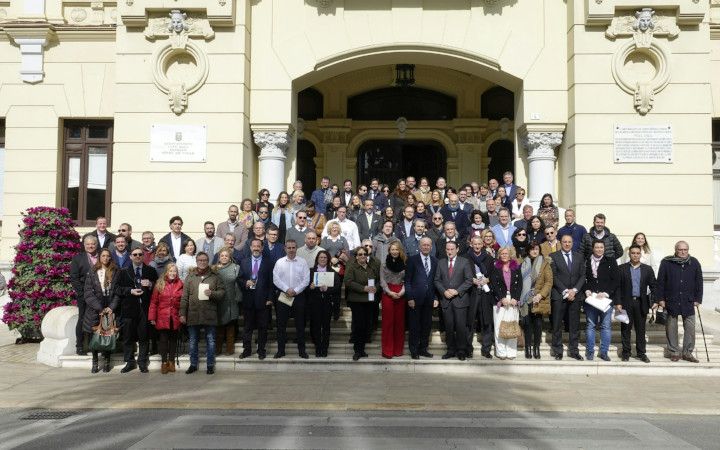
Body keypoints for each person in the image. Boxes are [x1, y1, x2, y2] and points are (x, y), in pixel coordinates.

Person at [655, 241, 703, 363]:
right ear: (675, 250)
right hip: (671, 300)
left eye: (685, 250)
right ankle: (674, 352)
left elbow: (699, 282)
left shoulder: (694, 262)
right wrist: (660, 299)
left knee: (690, 328)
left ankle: (687, 353)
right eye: (680, 249)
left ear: (688, 250)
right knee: (671, 327)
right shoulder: (666, 262)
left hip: (689, 301)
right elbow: (660, 282)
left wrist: (698, 299)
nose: (683, 252)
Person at [180, 252, 225, 374]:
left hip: (209, 313)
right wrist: (182, 314)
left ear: (208, 261)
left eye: (205, 260)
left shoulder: (215, 276)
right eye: (200, 260)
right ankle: (193, 364)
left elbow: (222, 293)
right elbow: (184, 297)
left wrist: (213, 294)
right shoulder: (190, 277)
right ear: (196, 261)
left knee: (210, 340)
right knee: (193, 340)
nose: (202, 262)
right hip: (193, 313)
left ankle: (210, 365)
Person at [116, 247, 158, 373]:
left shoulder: (151, 270)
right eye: (135, 254)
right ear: (130, 257)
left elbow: (158, 287)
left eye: (140, 254)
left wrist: (150, 285)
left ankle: (142, 362)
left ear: (144, 256)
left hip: (145, 308)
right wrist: (130, 291)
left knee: (144, 337)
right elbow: (117, 289)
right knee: (128, 337)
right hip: (129, 308)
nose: (138, 256)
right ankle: (129, 362)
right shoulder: (123, 272)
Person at [434, 241, 474, 360]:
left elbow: (469, 280)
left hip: (460, 300)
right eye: (448, 249)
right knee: (449, 326)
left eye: (452, 249)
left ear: (457, 249)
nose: (450, 251)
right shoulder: (441, 262)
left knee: (461, 327)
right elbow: (436, 280)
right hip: (446, 300)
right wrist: (444, 292)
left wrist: (457, 291)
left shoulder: (464, 262)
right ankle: (450, 350)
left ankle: (461, 350)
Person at [617, 245, 657, 363]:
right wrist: (618, 302)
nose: (635, 255)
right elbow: (617, 287)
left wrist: (655, 301)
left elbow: (654, 286)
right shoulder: (621, 269)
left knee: (641, 330)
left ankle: (641, 353)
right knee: (625, 329)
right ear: (629, 254)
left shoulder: (647, 269)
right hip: (625, 303)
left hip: (641, 303)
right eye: (633, 253)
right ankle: (626, 352)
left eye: (637, 253)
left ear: (641, 254)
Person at [549, 235, 586, 360]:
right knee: (557, 324)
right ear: (561, 243)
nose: (567, 244)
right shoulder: (553, 257)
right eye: (564, 242)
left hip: (575, 296)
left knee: (574, 325)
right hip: (559, 295)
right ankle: (558, 350)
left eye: (569, 242)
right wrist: (565, 291)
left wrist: (574, 290)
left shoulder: (579, 256)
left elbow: (582, 276)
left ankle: (574, 350)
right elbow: (553, 276)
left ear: (572, 243)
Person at [272, 240, 311, 359]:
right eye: (289, 248)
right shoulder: (279, 262)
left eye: (293, 247)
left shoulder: (303, 262)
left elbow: (306, 279)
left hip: (298, 296)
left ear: (296, 248)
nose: (291, 250)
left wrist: (296, 290)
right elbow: (276, 279)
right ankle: (280, 350)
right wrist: (287, 289)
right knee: (281, 325)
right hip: (284, 296)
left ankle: (302, 351)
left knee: (300, 325)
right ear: (285, 249)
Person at [583, 240, 620, 361]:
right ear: (593, 248)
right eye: (597, 247)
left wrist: (606, 293)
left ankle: (604, 352)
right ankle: (590, 352)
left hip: (605, 300)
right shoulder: (587, 261)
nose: (599, 249)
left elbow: (615, 280)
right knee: (590, 325)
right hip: (591, 299)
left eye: (601, 247)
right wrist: (586, 290)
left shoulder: (610, 261)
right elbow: (583, 278)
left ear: (604, 248)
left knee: (606, 326)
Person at [238, 239, 274, 360]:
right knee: (247, 328)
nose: (256, 248)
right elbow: (240, 279)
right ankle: (247, 350)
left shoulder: (268, 263)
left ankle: (261, 350)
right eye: (254, 246)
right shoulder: (244, 262)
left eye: (258, 246)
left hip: (263, 300)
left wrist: (270, 298)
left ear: (262, 248)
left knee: (262, 328)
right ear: (250, 248)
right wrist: (245, 283)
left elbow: (271, 282)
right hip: (248, 300)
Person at [345, 246, 381, 361]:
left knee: (366, 326)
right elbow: (348, 282)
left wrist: (376, 287)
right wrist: (363, 288)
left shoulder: (371, 267)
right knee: (359, 326)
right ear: (356, 256)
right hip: (357, 301)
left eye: (364, 254)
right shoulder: (352, 267)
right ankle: (357, 350)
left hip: (369, 301)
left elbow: (379, 280)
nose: (362, 256)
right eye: (360, 254)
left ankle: (362, 350)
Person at [405, 237, 438, 359]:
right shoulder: (412, 260)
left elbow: (435, 281)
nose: (426, 247)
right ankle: (414, 350)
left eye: (428, 245)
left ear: (431, 247)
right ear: (419, 246)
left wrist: (435, 297)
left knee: (426, 326)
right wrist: (409, 298)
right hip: (415, 299)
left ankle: (423, 349)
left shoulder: (435, 261)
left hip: (429, 299)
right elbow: (407, 281)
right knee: (414, 326)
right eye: (423, 245)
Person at [148, 262, 183, 374]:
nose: (173, 273)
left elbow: (183, 301)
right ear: (166, 272)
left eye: (174, 271)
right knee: (163, 340)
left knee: (173, 340)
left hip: (175, 316)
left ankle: (171, 361)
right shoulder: (159, 284)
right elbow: (154, 302)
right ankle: (164, 362)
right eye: (170, 271)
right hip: (162, 316)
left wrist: (183, 315)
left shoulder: (180, 284)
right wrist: (152, 317)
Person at [519, 242, 552, 359]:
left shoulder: (545, 263)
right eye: (532, 249)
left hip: (538, 298)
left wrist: (540, 295)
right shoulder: (522, 262)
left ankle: (536, 347)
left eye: (536, 249)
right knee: (527, 324)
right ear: (528, 250)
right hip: (525, 298)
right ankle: (528, 347)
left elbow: (548, 282)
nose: (534, 251)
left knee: (538, 324)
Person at [490, 247, 522, 360]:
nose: (504, 255)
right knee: (499, 326)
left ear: (510, 255)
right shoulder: (495, 267)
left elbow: (520, 285)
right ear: (499, 255)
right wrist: (501, 298)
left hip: (513, 300)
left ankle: (511, 351)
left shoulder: (516, 267)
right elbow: (493, 284)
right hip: (500, 300)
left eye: (506, 253)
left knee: (512, 326)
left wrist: (515, 298)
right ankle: (501, 352)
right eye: (502, 253)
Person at [465, 236, 495, 358]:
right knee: (469, 322)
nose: (477, 246)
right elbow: (462, 273)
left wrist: (488, 279)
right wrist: (471, 280)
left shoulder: (489, 258)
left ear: (483, 244)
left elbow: (494, 274)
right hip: (471, 292)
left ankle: (486, 349)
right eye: (474, 244)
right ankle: (468, 348)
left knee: (486, 321)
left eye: (479, 244)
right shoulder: (466, 258)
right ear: (471, 245)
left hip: (485, 293)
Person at [308, 251, 341, 357]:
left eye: (325, 257)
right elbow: (305, 287)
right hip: (314, 303)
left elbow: (337, 288)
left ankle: (325, 348)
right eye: (321, 257)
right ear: (317, 259)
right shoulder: (311, 272)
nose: (323, 259)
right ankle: (318, 347)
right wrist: (310, 287)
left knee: (326, 327)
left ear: (328, 259)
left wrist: (328, 289)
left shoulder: (333, 272)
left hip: (327, 303)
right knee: (316, 326)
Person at [71, 235, 98, 355]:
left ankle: (95, 346)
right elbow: (74, 278)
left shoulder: (102, 257)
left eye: (93, 244)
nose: (90, 246)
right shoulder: (78, 258)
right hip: (83, 295)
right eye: (88, 244)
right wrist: (83, 294)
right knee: (82, 319)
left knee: (97, 319)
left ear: (96, 245)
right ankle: (80, 346)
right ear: (84, 245)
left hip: (98, 296)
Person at [379, 241, 407, 359]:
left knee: (399, 323)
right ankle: (387, 350)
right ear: (389, 251)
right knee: (388, 323)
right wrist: (389, 292)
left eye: (396, 249)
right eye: (392, 249)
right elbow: (382, 280)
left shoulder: (406, 264)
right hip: (388, 293)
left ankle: (397, 350)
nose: (394, 251)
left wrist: (401, 292)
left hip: (401, 293)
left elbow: (408, 280)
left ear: (400, 251)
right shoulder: (384, 264)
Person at [215, 247, 242, 356]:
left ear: (230, 257)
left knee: (231, 327)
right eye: (222, 256)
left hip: (231, 300)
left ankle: (230, 349)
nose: (224, 257)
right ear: (219, 257)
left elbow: (239, 284)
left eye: (226, 256)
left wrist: (238, 299)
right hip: (218, 301)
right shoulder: (214, 269)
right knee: (219, 327)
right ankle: (218, 349)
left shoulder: (236, 267)